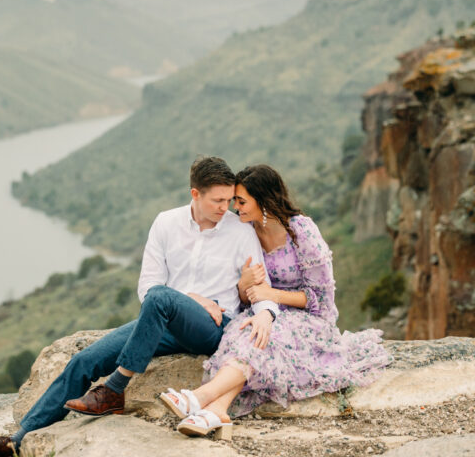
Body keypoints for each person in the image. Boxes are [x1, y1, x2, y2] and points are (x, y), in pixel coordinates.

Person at [0, 156, 280, 457]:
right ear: (195, 194)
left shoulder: (239, 232)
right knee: (84, 360)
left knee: (160, 298)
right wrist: (193, 298)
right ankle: (16, 444)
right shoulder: (166, 223)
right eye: (217, 200)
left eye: (228, 200)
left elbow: (260, 286)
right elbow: (148, 287)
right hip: (163, 322)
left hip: (211, 328)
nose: (225, 208)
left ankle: (114, 390)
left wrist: (266, 312)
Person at [158, 164, 391, 438]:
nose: (236, 208)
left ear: (264, 200)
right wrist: (245, 285)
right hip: (262, 313)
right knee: (245, 333)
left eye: (242, 201)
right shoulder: (247, 233)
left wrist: (273, 296)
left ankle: (199, 397)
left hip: (309, 318)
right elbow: (247, 299)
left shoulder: (301, 231)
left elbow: (322, 299)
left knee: (266, 336)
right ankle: (218, 410)